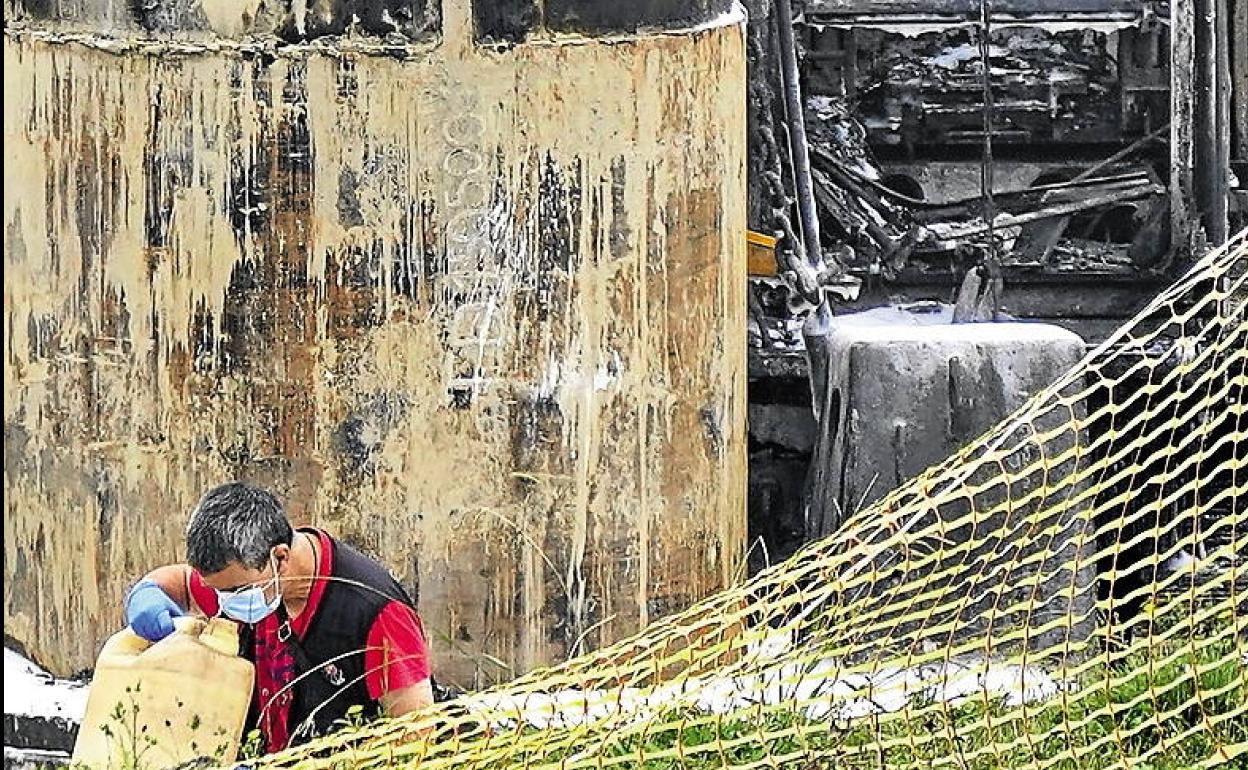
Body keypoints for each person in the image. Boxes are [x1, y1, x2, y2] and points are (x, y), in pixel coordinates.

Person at [123, 482, 433, 754]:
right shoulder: (249, 581)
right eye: (219, 592)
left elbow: (415, 740)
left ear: (280, 557)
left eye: (235, 590)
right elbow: (180, 582)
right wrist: (147, 593)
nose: (226, 604)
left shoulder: (376, 613)